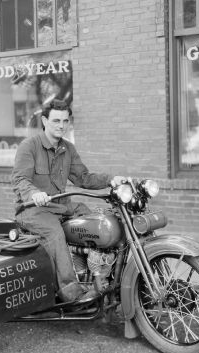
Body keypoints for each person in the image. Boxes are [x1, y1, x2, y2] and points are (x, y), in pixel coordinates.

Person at [11, 99, 125, 303]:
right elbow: (20, 180)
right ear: (44, 120)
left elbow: (84, 178)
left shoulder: (68, 149)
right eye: (56, 120)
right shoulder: (29, 146)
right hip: (32, 210)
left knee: (97, 224)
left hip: (62, 207)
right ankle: (71, 294)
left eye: (65, 121)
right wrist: (34, 193)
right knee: (55, 234)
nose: (61, 125)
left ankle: (99, 274)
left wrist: (111, 180)